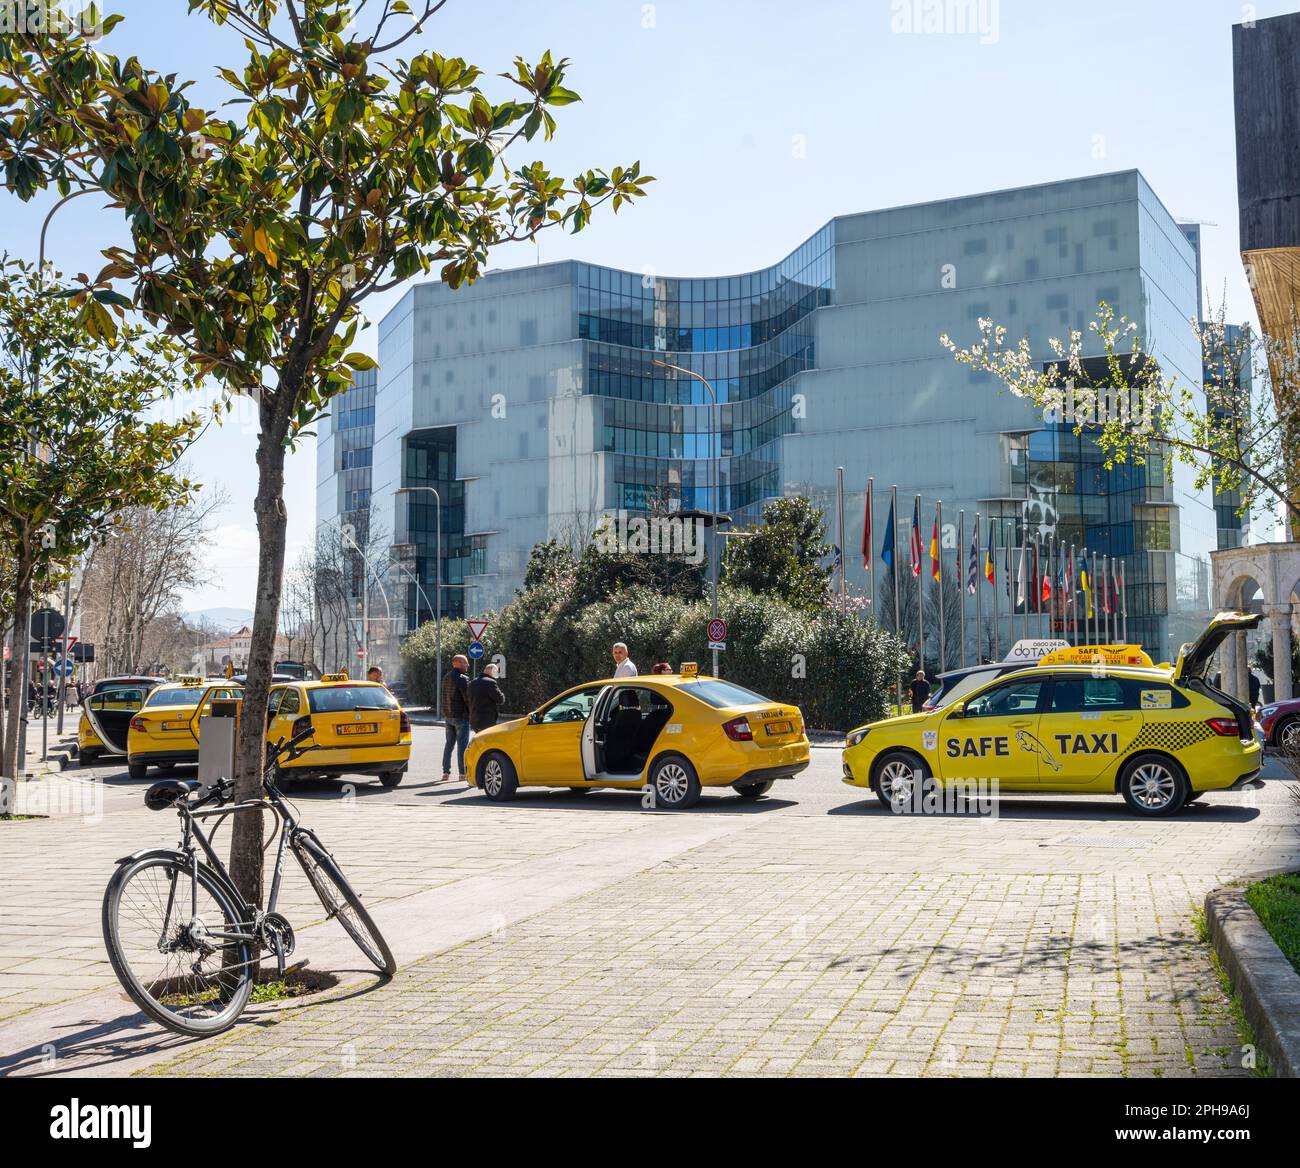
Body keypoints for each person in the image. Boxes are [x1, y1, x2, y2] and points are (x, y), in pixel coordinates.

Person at [441, 654, 471, 782]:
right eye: (465, 663)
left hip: (448, 716)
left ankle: (445, 773)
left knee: (449, 744)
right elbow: (467, 698)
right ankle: (462, 774)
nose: (468, 665)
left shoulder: (446, 677)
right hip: (461, 716)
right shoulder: (462, 679)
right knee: (462, 746)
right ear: (457, 663)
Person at [467, 662, 505, 732]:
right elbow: (500, 699)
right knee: (487, 741)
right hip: (486, 720)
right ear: (493, 672)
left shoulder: (472, 682)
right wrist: (502, 693)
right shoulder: (491, 682)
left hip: (474, 719)